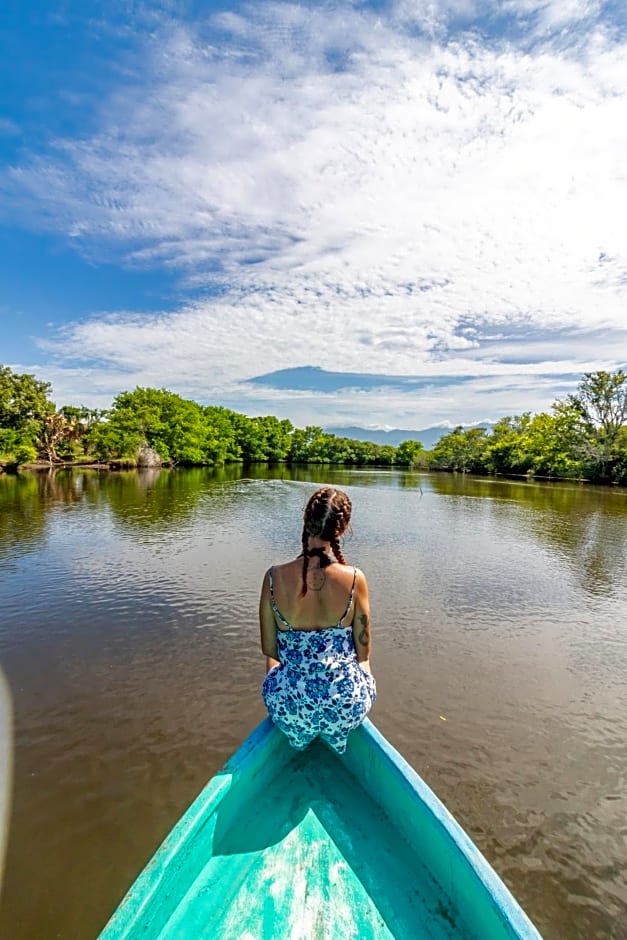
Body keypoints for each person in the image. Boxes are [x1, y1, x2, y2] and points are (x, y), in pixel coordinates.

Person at [259, 486, 376, 754]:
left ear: (306, 521)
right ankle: (337, 730)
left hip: (290, 708)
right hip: (346, 708)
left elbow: (269, 649)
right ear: (342, 529)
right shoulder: (356, 579)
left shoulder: (273, 577)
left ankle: (298, 729)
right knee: (363, 667)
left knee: (277, 665)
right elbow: (364, 653)